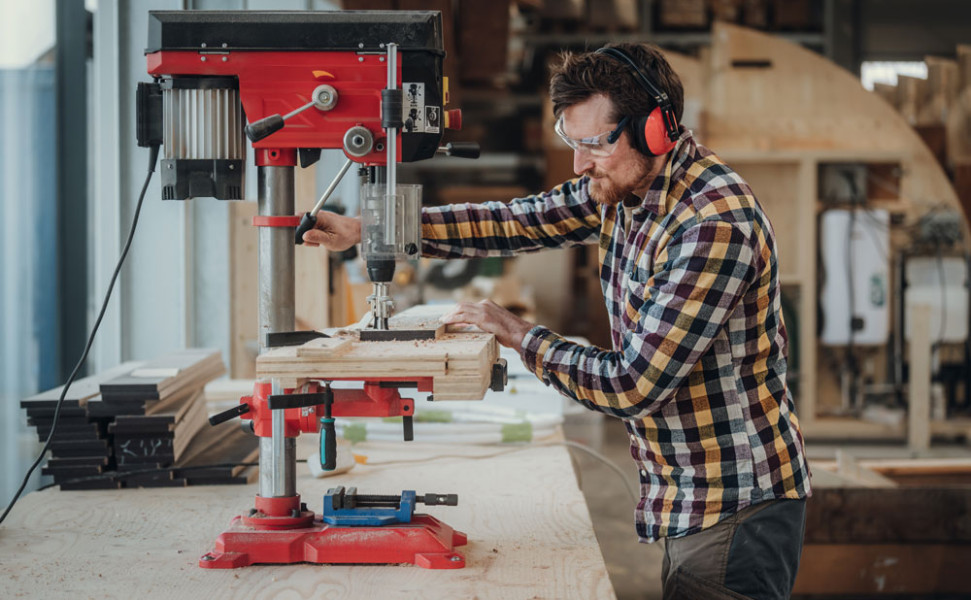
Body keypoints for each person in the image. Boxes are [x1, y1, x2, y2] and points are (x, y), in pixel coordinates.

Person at [303, 43, 811, 600]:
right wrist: (374, 230)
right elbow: (516, 222)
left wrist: (520, 335)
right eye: (573, 142)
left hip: (734, 499)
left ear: (656, 131)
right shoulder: (625, 188)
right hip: (689, 487)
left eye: (594, 143)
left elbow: (632, 384)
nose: (579, 163)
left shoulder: (712, 224)